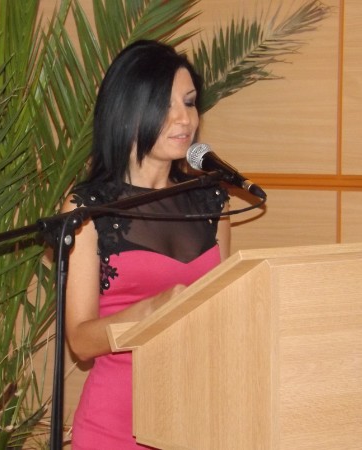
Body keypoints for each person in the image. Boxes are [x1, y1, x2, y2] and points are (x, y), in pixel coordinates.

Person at [61, 39, 231, 449]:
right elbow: (80, 343)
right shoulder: (89, 208)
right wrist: (149, 312)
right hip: (115, 429)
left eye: (189, 102)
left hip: (197, 423)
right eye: (166, 105)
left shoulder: (212, 200)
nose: (185, 118)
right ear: (129, 110)